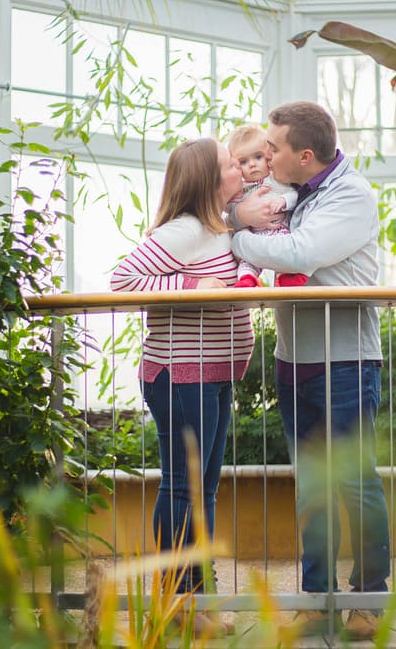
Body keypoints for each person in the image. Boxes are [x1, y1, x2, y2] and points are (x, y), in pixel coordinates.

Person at [230, 101, 391, 640]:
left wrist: (237, 239)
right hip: (294, 360)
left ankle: (369, 597)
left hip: (346, 361)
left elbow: (300, 253)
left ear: (304, 155)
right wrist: (239, 218)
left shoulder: (351, 195)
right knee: (311, 489)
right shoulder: (292, 191)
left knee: (354, 481)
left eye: (273, 148)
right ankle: (315, 599)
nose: (265, 154)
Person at [110, 137, 254, 638]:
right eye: (228, 164)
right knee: (182, 487)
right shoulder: (185, 230)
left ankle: (199, 598)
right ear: (207, 181)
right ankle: (179, 601)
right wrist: (193, 288)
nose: (239, 167)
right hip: (181, 373)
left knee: (203, 490)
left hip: (212, 372)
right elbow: (122, 282)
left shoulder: (218, 229)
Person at [226, 124, 307, 288]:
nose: (252, 164)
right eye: (243, 161)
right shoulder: (239, 188)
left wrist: (284, 201)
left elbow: (296, 195)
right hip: (253, 235)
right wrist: (239, 213)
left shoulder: (277, 179)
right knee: (247, 260)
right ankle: (247, 279)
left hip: (279, 230)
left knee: (284, 249)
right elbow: (228, 209)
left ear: (268, 157)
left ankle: (287, 276)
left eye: (258, 157)